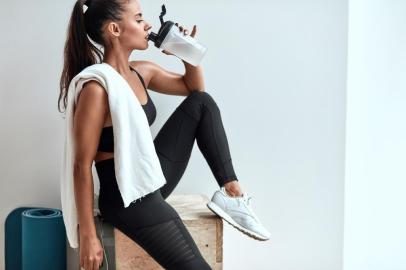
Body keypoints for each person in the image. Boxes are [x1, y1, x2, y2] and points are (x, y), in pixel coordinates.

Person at [58, 0, 270, 269]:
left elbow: (194, 88)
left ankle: (233, 194)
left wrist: (185, 51)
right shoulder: (97, 88)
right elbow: (80, 165)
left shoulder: (142, 71)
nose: (147, 24)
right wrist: (87, 234)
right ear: (115, 29)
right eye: (138, 19)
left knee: (202, 103)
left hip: (150, 177)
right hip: (126, 197)